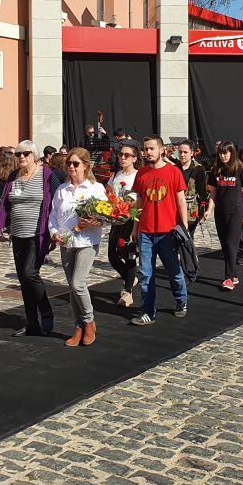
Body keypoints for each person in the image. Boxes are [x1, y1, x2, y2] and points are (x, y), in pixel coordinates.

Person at [0, 141, 61, 336]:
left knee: (29, 273)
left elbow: (59, 201)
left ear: (35, 155)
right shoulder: (13, 177)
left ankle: (46, 312)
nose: (21, 157)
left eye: (26, 153)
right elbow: (3, 205)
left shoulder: (47, 176)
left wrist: (56, 232)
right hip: (18, 235)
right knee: (24, 279)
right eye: (18, 154)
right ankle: (32, 324)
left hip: (37, 235)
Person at [48, 147, 106, 347]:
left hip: (87, 242)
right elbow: (53, 216)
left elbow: (105, 216)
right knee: (72, 288)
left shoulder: (95, 188)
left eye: (75, 164)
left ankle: (89, 321)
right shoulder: (62, 190)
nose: (71, 167)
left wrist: (95, 222)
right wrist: (54, 232)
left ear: (85, 166)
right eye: (69, 164)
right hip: (66, 242)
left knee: (78, 284)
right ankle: (78, 326)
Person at [130, 135, 189, 325]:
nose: (148, 152)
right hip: (146, 232)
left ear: (162, 150)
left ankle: (181, 301)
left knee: (174, 271)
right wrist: (135, 227)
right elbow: (139, 201)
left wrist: (185, 227)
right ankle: (148, 311)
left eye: (151, 149)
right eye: (145, 149)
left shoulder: (174, 172)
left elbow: (181, 200)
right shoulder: (141, 174)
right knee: (145, 274)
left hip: (168, 232)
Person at [208, 141, 243, 290]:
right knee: (225, 245)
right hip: (220, 211)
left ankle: (228, 278)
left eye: (225, 152)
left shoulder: (240, 170)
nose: (223, 156)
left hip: (236, 211)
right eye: (220, 153)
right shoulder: (216, 170)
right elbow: (213, 193)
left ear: (232, 153)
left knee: (232, 244)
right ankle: (234, 274)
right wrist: (208, 209)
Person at [107, 142, 140, 307]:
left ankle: (127, 293)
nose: (123, 158)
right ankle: (131, 278)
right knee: (112, 256)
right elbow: (108, 193)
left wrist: (134, 220)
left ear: (134, 158)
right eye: (121, 155)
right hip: (116, 220)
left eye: (127, 155)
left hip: (131, 221)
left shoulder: (138, 176)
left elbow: (139, 202)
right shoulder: (116, 175)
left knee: (129, 256)